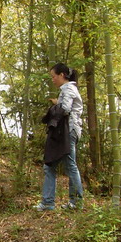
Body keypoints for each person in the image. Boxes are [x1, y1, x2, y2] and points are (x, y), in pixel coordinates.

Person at [36, 63, 84, 211]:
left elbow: (65, 109)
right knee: (50, 165)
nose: (53, 80)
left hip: (67, 131)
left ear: (62, 75)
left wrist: (54, 108)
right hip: (64, 131)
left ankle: (75, 203)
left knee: (70, 165)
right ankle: (48, 202)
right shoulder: (68, 89)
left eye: (54, 76)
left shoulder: (68, 88)